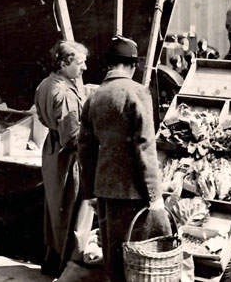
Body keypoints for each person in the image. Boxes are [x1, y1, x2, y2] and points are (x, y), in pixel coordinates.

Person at [78, 36, 170, 282]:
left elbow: (85, 149)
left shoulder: (94, 96)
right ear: (132, 65)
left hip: (104, 189)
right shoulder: (137, 92)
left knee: (113, 255)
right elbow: (145, 145)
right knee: (137, 258)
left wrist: (89, 193)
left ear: (109, 64)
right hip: (133, 190)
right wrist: (155, 195)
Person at [34, 40, 94, 278]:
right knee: (70, 210)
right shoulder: (66, 93)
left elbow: (41, 116)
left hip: (51, 150)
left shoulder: (44, 84)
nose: (84, 67)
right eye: (79, 63)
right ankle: (66, 269)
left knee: (54, 210)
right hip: (68, 158)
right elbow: (72, 137)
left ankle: (51, 260)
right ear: (63, 63)